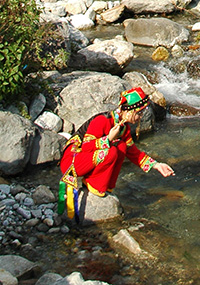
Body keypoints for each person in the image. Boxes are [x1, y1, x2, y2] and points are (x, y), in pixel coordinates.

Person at [58, 87, 174, 220]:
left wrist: (157, 165)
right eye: (139, 113)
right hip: (72, 161)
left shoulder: (122, 127)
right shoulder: (102, 120)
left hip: (86, 159)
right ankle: (93, 184)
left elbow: (133, 153)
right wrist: (108, 139)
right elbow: (86, 148)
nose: (140, 117)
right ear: (129, 110)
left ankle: (106, 186)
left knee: (122, 147)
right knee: (111, 151)